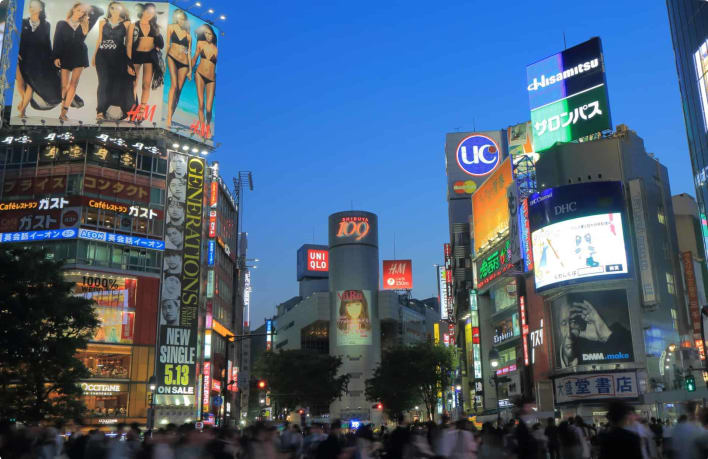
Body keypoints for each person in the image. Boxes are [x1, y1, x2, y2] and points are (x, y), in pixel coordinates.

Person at [52, 2, 101, 121]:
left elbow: (99, 11)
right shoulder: (62, 24)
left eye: (82, 11)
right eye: (78, 10)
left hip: (80, 55)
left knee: (74, 84)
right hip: (65, 55)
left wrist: (88, 8)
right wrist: (56, 57)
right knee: (64, 85)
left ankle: (64, 111)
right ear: (73, 9)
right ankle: (62, 110)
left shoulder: (86, 23)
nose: (80, 13)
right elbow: (57, 40)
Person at [556, 296, 633, 368]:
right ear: (558, 329)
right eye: (564, 323)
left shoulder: (602, 346)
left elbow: (632, 361)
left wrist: (605, 335)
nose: (569, 334)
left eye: (574, 322)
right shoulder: (551, 363)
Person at [15, 0, 62, 117]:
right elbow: (14, 38)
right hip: (21, 57)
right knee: (20, 82)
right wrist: (15, 52)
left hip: (36, 61)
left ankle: (22, 110)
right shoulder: (22, 22)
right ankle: (24, 101)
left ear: (40, 9)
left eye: (35, 6)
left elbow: (47, 44)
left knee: (30, 84)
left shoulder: (46, 25)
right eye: (31, 6)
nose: (31, 8)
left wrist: (53, 59)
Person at [92, 2, 135, 121]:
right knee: (103, 82)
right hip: (102, 56)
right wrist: (94, 55)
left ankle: (112, 111)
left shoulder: (127, 24)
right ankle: (100, 111)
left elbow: (129, 44)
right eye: (112, 8)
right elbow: (99, 40)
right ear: (109, 9)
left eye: (117, 8)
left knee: (116, 84)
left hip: (119, 57)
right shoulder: (102, 22)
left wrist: (129, 63)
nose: (114, 10)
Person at [128, 3, 164, 107]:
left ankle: (142, 109)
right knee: (133, 84)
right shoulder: (134, 25)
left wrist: (156, 46)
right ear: (143, 11)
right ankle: (132, 107)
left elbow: (161, 44)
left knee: (146, 85)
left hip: (149, 57)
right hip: (136, 56)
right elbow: (129, 45)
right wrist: (128, 62)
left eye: (152, 13)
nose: (149, 14)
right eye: (148, 11)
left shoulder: (154, 27)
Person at [165, 9, 192, 128]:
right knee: (174, 86)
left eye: (183, 19)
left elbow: (189, 53)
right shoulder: (171, 27)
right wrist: (163, 60)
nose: (181, 21)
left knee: (179, 91)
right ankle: (169, 118)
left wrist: (191, 70)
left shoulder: (188, 35)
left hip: (184, 63)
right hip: (172, 57)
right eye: (179, 18)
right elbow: (167, 44)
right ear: (176, 18)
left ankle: (171, 114)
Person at [191, 23, 218, 138]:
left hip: (211, 79)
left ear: (213, 36)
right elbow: (195, 58)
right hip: (200, 74)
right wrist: (189, 71)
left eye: (210, 34)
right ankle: (203, 129)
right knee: (201, 104)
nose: (208, 36)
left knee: (209, 109)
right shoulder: (200, 43)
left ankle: (207, 125)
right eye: (206, 33)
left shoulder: (217, 49)